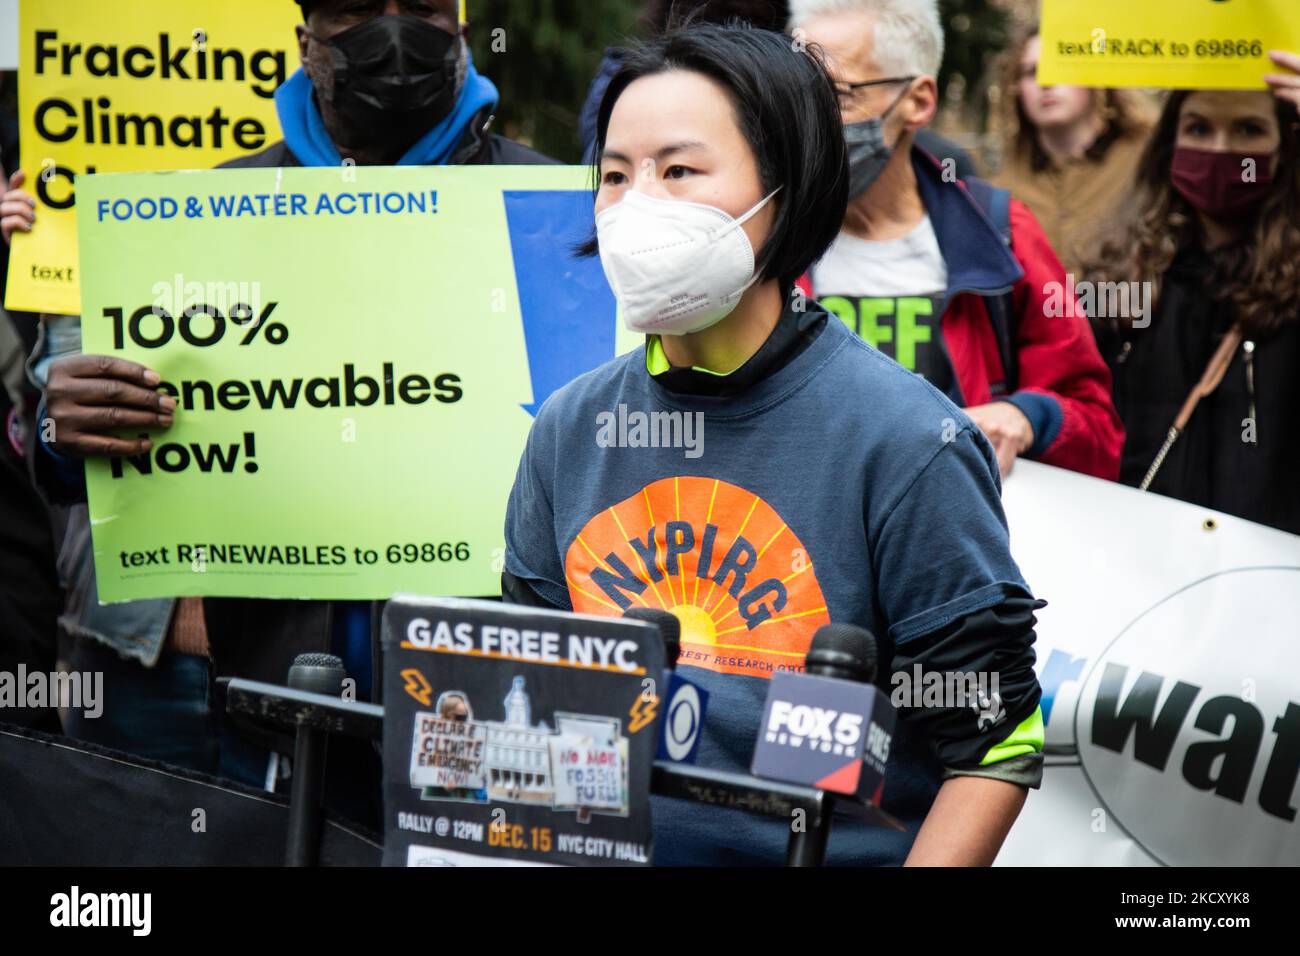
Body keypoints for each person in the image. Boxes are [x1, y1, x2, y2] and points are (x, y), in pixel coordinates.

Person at [503, 21, 1046, 866]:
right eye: (615, 174)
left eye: (680, 170)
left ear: (784, 190)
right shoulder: (567, 430)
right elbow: (528, 705)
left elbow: (995, 744)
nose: (637, 202)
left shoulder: (908, 441)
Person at [6, 0, 555, 815]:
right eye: (359, 10)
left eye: (425, 9)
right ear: (306, 40)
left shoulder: (554, 210)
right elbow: (104, 448)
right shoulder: (203, 215)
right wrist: (64, 430)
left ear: (464, 27)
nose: (394, 35)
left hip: (492, 713)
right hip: (275, 720)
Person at [790, 0, 1123, 480]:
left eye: (837, 95)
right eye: (796, 95)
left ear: (918, 101)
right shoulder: (762, 242)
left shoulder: (997, 231)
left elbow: (1097, 430)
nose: (808, 119)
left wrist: (1027, 417)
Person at [1083, 52, 1300, 535]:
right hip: (1142, 561)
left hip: (1274, 574)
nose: (1222, 149)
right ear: (1170, 144)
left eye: (1248, 130)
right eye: (1199, 129)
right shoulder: (1118, 283)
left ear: (1285, 148)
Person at [989, 20, 1156, 277]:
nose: (1046, 82)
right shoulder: (1001, 188)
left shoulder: (1147, 160)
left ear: (1095, 75)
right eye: (1032, 72)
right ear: (1016, 88)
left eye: (1061, 65)